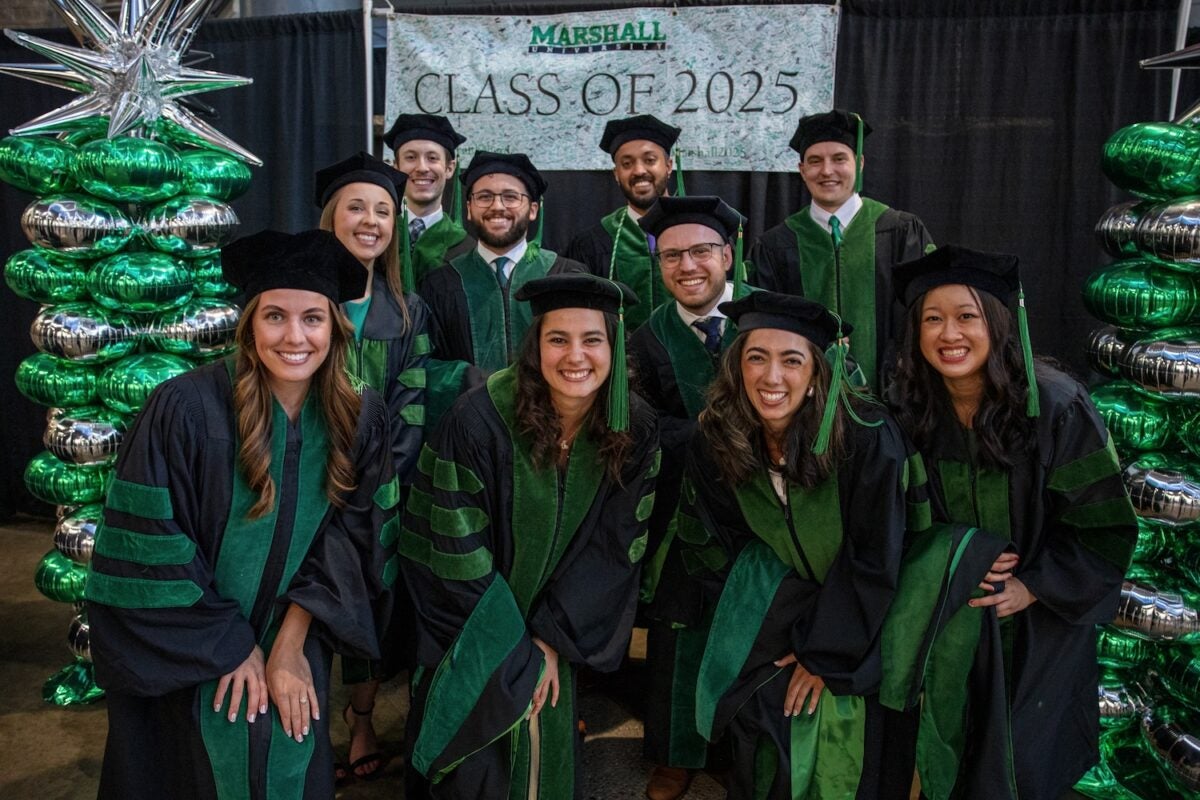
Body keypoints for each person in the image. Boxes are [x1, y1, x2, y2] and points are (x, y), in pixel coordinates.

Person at [86, 229, 399, 800]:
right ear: (250, 326)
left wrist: (288, 644)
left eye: (313, 319)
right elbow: (149, 544)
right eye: (275, 316)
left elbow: (355, 537)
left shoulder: (359, 418)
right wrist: (229, 646)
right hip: (190, 645)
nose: (295, 337)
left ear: (334, 328)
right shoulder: (185, 407)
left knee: (289, 749)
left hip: (296, 630)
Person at [884, 246, 1136, 800]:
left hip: (1036, 628)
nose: (949, 333)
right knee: (951, 747)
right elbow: (888, 520)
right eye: (932, 319)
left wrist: (1033, 585)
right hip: (950, 617)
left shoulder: (1056, 406)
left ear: (998, 323)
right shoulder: (907, 409)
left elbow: (1103, 525)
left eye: (966, 316)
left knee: (1021, 763)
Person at [401, 273, 660, 799]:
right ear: (534, 347)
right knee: (475, 762)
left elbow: (617, 546)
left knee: (546, 745)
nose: (575, 356)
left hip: (552, 629)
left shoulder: (633, 424)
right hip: (472, 627)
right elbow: (453, 544)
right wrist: (511, 645)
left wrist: (549, 638)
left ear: (614, 347)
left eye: (592, 340)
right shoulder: (479, 421)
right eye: (557, 339)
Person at [684, 290, 928, 799]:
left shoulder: (866, 436)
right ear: (737, 368)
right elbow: (731, 544)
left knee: (852, 748)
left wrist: (822, 652)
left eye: (791, 360)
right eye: (756, 357)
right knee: (764, 727)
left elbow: (878, 555)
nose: (772, 378)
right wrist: (784, 628)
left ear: (817, 375)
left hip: (870, 623)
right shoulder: (719, 439)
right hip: (780, 614)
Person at [314, 150, 433, 781]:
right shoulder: (304, 301)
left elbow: (412, 404)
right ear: (331, 216)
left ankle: (361, 723)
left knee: (369, 606)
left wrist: (378, 478)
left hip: (382, 492)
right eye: (357, 207)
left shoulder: (408, 311)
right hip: (309, 486)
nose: (370, 221)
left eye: (383, 211)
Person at [626, 195, 743, 800]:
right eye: (672, 255)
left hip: (760, 512)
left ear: (727, 254)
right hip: (681, 509)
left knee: (749, 628)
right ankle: (674, 752)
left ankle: (739, 747)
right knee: (678, 632)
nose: (687, 265)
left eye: (700, 251)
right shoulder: (645, 338)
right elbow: (638, 428)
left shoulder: (762, 320)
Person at [749, 109, 934, 391]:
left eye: (839, 159)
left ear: (859, 163)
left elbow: (922, 317)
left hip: (893, 398)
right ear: (802, 170)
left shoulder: (900, 232)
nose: (826, 171)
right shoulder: (775, 246)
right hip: (805, 402)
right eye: (815, 161)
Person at [419, 150, 583, 426]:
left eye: (510, 197)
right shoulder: (440, 284)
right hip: (471, 432)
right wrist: (474, 381)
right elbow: (422, 365)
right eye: (484, 197)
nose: (497, 206)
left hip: (554, 427)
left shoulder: (567, 277)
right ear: (469, 209)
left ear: (532, 209)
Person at [566, 114, 681, 328]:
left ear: (668, 165)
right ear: (616, 174)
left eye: (649, 160)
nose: (638, 171)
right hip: (620, 359)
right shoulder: (592, 243)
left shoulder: (702, 233)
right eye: (627, 163)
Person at [382, 113, 473, 286]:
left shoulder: (466, 250)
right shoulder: (378, 237)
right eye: (411, 157)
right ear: (396, 167)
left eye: (432, 158)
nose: (422, 167)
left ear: (449, 168)